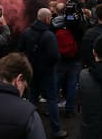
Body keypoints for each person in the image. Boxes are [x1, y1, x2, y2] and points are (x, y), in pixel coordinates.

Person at [18, 8, 67, 138]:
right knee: (52, 99)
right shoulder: (49, 35)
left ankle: (25, 126)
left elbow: (20, 50)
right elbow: (54, 56)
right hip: (47, 72)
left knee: (32, 97)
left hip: (31, 71)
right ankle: (56, 130)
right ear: (46, 19)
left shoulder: (27, 32)